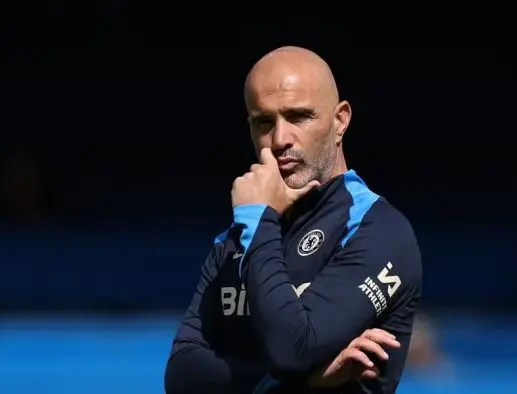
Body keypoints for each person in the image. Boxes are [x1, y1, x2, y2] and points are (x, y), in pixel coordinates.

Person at [165, 46, 422, 393]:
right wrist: (306, 380)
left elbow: (292, 348)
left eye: (299, 117)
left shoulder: (377, 229)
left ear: (340, 120)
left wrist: (257, 220)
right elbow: (182, 376)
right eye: (264, 122)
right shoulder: (238, 235)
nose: (280, 139)